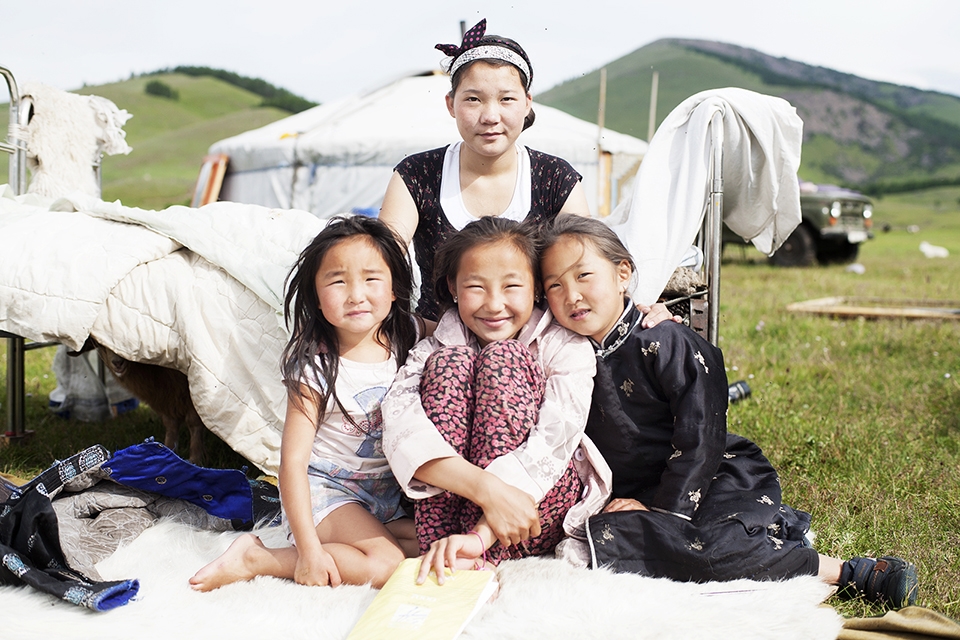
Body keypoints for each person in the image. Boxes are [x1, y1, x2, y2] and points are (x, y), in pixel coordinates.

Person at [538, 213, 919, 609]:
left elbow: (700, 434)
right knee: (607, 538)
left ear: (622, 274)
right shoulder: (563, 353)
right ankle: (761, 533)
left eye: (584, 276)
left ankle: (847, 571)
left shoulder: (665, 340)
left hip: (705, 475)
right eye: (555, 285)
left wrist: (663, 511)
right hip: (630, 493)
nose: (572, 295)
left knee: (705, 548)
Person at [190, 215, 426, 591]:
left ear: (395, 288)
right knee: (386, 565)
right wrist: (309, 550)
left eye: (371, 278)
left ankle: (349, 543)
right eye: (338, 281)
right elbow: (293, 463)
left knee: (429, 540)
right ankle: (257, 558)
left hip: (382, 498)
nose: (356, 294)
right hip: (327, 491)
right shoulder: (316, 369)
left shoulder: (407, 333)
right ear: (316, 297)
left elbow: (456, 329)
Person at [381, 216, 612, 584]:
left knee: (504, 358)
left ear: (536, 288)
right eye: (475, 286)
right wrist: (485, 490)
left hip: (531, 510)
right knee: (450, 363)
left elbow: (558, 434)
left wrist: (488, 522)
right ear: (452, 288)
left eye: (511, 286)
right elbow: (400, 428)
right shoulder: (431, 350)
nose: (494, 304)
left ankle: (477, 550)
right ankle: (445, 547)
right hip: (455, 510)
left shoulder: (563, 345)